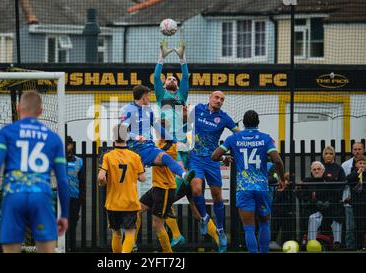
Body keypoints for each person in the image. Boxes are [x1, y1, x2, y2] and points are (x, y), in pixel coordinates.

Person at [0, 90, 70, 253]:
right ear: (41, 111)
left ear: (17, 107)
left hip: (14, 196)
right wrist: (64, 215)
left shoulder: (6, 133)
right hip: (41, 197)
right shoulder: (53, 138)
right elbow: (63, 180)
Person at [212, 110, 286, 253]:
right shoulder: (266, 138)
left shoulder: (234, 138)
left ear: (244, 123)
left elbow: (214, 156)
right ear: (258, 122)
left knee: (249, 228)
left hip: (244, 188)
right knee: (264, 224)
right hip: (262, 188)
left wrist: (225, 159)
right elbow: (277, 160)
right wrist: (282, 178)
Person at [188, 90, 240, 253]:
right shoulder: (196, 109)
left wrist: (226, 154)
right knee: (196, 189)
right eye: (216, 97)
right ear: (209, 98)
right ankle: (204, 217)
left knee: (217, 196)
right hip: (195, 157)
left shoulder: (224, 118)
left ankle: (220, 229)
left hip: (212, 159)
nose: (219, 101)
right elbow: (179, 114)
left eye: (222, 99)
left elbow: (238, 135)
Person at [120, 85, 195, 184]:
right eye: (148, 96)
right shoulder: (128, 109)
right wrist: (136, 136)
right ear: (143, 97)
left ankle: (184, 175)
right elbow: (122, 131)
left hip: (148, 147)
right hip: (134, 148)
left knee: (165, 157)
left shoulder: (148, 110)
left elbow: (158, 127)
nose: (149, 98)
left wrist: (174, 141)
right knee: (137, 179)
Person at [98, 124, 146, 253]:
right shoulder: (135, 156)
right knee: (130, 233)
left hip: (113, 203)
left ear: (114, 136)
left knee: (116, 233)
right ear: (126, 137)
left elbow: (101, 177)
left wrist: (104, 182)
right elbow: (143, 178)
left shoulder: (107, 156)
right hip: (130, 202)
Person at [154, 39, 189, 167]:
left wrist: (182, 58)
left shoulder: (182, 95)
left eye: (174, 79)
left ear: (178, 86)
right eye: (169, 79)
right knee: (177, 167)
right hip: (167, 136)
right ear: (164, 85)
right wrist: (161, 57)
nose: (172, 80)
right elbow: (156, 77)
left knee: (183, 170)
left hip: (182, 137)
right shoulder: (161, 94)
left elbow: (185, 77)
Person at [296, 161, 344, 250]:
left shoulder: (330, 181)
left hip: (329, 208)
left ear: (323, 170)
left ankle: (337, 242)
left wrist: (329, 202)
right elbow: (300, 194)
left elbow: (336, 194)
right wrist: (314, 201)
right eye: (314, 169)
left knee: (337, 217)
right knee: (313, 218)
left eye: (319, 169)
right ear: (311, 171)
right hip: (314, 208)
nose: (316, 171)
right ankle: (311, 242)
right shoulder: (306, 181)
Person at [341, 142, 364, 249]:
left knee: (361, 226)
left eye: (359, 149)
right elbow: (345, 181)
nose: (357, 151)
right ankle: (350, 248)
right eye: (355, 149)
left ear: (363, 150)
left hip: (362, 201)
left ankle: (360, 246)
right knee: (350, 227)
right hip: (350, 201)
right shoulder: (346, 165)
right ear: (351, 151)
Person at [65, 135, 84, 252]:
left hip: (74, 198)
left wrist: (81, 198)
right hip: (58, 198)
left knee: (72, 224)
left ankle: (72, 247)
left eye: (67, 144)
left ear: (71, 145)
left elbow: (82, 182)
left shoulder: (79, 161)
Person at [345, 155, 366, 250]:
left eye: (364, 163)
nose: (362, 165)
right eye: (360, 163)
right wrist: (357, 173)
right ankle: (359, 246)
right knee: (358, 225)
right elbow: (348, 180)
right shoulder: (353, 172)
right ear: (356, 164)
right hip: (357, 203)